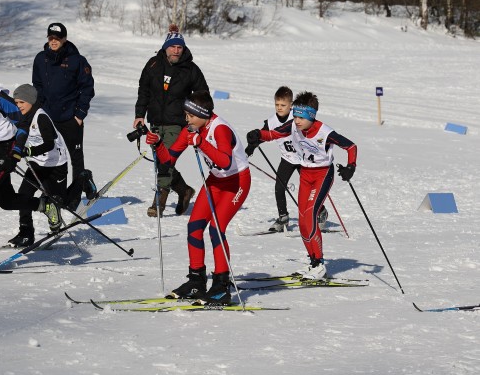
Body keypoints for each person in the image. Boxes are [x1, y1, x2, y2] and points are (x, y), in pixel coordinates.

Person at [145, 90, 251, 304]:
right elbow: (168, 161)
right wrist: (157, 145)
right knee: (194, 226)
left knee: (216, 229)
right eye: (185, 115)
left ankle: (221, 286)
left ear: (203, 114)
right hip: (215, 181)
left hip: (237, 181)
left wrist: (201, 142)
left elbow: (225, 162)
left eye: (191, 116)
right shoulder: (191, 130)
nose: (187, 119)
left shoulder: (219, 129)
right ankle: (196, 281)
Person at [246, 91, 357, 280]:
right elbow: (274, 134)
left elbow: (351, 146)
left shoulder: (325, 132)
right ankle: (313, 262)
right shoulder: (294, 126)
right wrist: (258, 135)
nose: (296, 121)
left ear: (311, 116)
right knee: (303, 219)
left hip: (322, 175)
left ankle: (320, 264)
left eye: (300, 117)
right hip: (305, 174)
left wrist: (350, 167)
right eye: (295, 116)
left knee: (310, 216)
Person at [0, 54, 62, 269]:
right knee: (6, 201)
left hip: (2, 148)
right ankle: (43, 205)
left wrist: (15, 153)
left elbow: (23, 124)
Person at [134, 23, 209, 218]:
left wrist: (195, 118)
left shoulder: (190, 69)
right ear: (165, 47)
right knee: (162, 160)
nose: (176, 51)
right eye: (173, 47)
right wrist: (139, 115)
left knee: (165, 160)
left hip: (178, 123)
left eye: (179, 47)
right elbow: (144, 91)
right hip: (156, 121)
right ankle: (184, 190)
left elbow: (203, 95)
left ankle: (159, 200)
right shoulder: (153, 64)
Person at [32, 22, 96, 211]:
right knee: (51, 155)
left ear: (64, 39)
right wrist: (38, 112)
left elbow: (87, 88)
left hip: (70, 118)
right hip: (48, 118)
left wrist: (80, 114)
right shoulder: (40, 59)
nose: (54, 41)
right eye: (51, 38)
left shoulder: (77, 60)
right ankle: (54, 193)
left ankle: (75, 195)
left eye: (57, 39)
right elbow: (37, 86)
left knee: (76, 158)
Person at [246, 86, 328, 232]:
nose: (279, 108)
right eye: (277, 104)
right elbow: (265, 134)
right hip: (288, 159)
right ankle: (283, 218)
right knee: (279, 187)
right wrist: (252, 145)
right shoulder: (271, 121)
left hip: (304, 160)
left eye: (283, 105)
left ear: (291, 105)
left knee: (309, 190)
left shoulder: (297, 117)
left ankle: (321, 211)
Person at [7, 84, 68, 247]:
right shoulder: (22, 117)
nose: (18, 106)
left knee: (58, 200)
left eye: (21, 102)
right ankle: (26, 233)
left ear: (31, 101)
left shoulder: (41, 117)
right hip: (38, 164)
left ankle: (84, 179)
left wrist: (29, 151)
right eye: (16, 102)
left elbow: (49, 144)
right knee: (23, 195)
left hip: (55, 165)